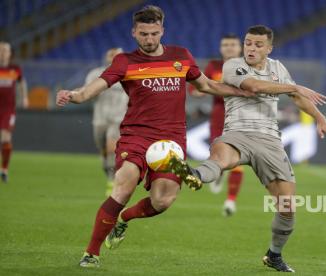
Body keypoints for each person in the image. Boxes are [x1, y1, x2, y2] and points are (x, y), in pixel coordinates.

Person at [56, 5, 262, 268]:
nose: (149, 39)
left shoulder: (181, 56)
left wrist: (242, 92)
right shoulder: (125, 62)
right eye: (143, 34)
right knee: (124, 185)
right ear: (134, 32)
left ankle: (125, 219)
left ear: (162, 30)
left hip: (172, 139)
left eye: (154, 33)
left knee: (163, 201)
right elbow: (95, 87)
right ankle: (91, 253)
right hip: (136, 135)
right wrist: (76, 95)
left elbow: (207, 85)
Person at [169, 25, 326, 273]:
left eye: (258, 45)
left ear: (269, 48)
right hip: (237, 132)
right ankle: (193, 175)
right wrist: (294, 87)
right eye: (248, 43)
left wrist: (320, 118)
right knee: (219, 158)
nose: (251, 48)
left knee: (287, 207)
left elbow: (298, 98)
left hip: (270, 139)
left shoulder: (278, 68)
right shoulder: (233, 65)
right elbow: (254, 86)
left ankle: (274, 254)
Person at [190, 33, 244, 216]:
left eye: (233, 44)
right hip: (219, 117)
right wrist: (200, 91)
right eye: (225, 44)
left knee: (237, 160)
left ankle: (230, 201)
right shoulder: (214, 66)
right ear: (221, 48)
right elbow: (196, 87)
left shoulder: (247, 67)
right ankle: (219, 173)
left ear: (240, 47)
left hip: (241, 118)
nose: (229, 47)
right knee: (218, 157)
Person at [85, 48, 128, 196]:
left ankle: (112, 182)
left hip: (119, 119)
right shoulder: (95, 74)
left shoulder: (128, 74)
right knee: (103, 152)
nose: (114, 58)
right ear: (107, 57)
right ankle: (109, 172)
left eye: (118, 55)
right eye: (112, 55)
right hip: (100, 118)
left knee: (112, 149)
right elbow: (88, 93)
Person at [0, 41, 28, 183]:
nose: (4, 53)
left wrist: (24, 98)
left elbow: (22, 82)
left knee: (5, 139)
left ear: (10, 53)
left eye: (7, 51)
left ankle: (4, 169)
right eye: (2, 50)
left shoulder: (15, 69)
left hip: (8, 109)